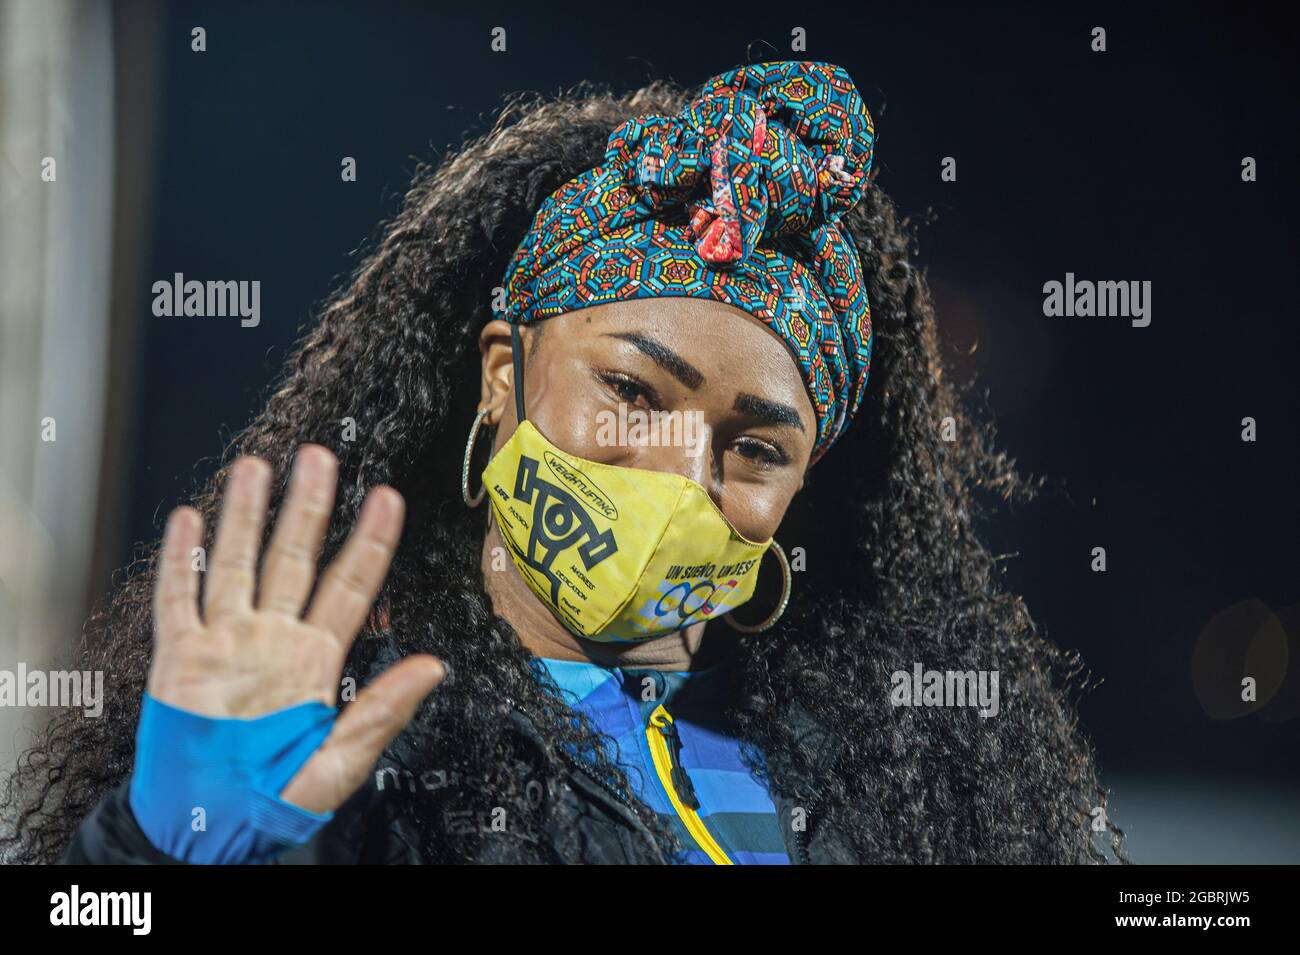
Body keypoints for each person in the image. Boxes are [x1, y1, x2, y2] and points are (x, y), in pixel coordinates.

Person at [1, 60, 1123, 864]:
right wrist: (147, 855)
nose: (681, 472)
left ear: (800, 489)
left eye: (756, 446)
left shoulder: (896, 772)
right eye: (630, 389)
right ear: (504, 373)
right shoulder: (350, 740)